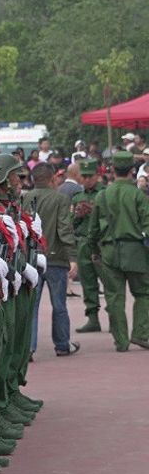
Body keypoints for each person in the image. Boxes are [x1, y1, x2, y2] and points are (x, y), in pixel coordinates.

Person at [83, 151, 149, 352]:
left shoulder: (103, 195)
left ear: (112, 171)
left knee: (114, 296)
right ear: (131, 170)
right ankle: (140, 333)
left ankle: (120, 341)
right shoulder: (139, 195)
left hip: (109, 251)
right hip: (135, 250)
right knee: (144, 294)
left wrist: (94, 250)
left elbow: (93, 230)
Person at [25, 162, 79, 356]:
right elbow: (64, 229)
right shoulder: (60, 199)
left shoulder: (25, 198)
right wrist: (72, 257)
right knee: (59, 305)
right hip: (56, 258)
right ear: (51, 179)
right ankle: (62, 344)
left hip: (32, 259)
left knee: (32, 306)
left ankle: (29, 347)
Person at [72, 159, 105, 332]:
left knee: (110, 281)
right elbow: (72, 225)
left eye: (89, 176)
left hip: (102, 242)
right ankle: (93, 318)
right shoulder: (78, 197)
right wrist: (78, 214)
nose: (86, 179)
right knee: (88, 282)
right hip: (84, 242)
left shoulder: (105, 194)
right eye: (83, 176)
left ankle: (115, 319)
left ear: (97, 176)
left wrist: (95, 211)